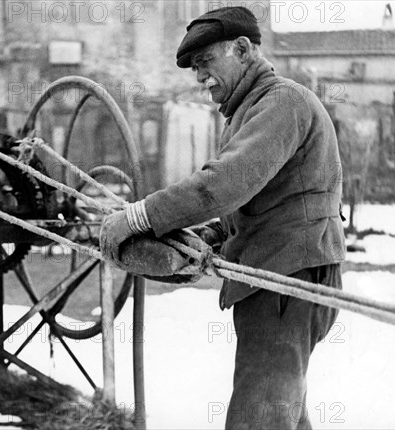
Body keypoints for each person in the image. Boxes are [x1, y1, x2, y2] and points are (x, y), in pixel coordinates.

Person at [99, 6, 346, 429]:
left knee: (258, 418)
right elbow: (255, 204)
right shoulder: (248, 110)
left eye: (206, 61)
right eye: (195, 67)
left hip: (289, 277)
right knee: (280, 412)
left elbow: (223, 185)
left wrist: (139, 216)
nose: (200, 76)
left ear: (243, 48)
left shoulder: (281, 102)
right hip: (277, 276)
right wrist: (209, 237)